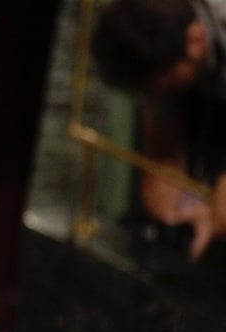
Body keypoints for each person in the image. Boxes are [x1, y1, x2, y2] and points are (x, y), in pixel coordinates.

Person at [92, 0, 226, 259]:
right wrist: (175, 218)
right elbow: (162, 156)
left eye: (167, 84)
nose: (158, 95)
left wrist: (216, 215)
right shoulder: (162, 34)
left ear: (196, 40)